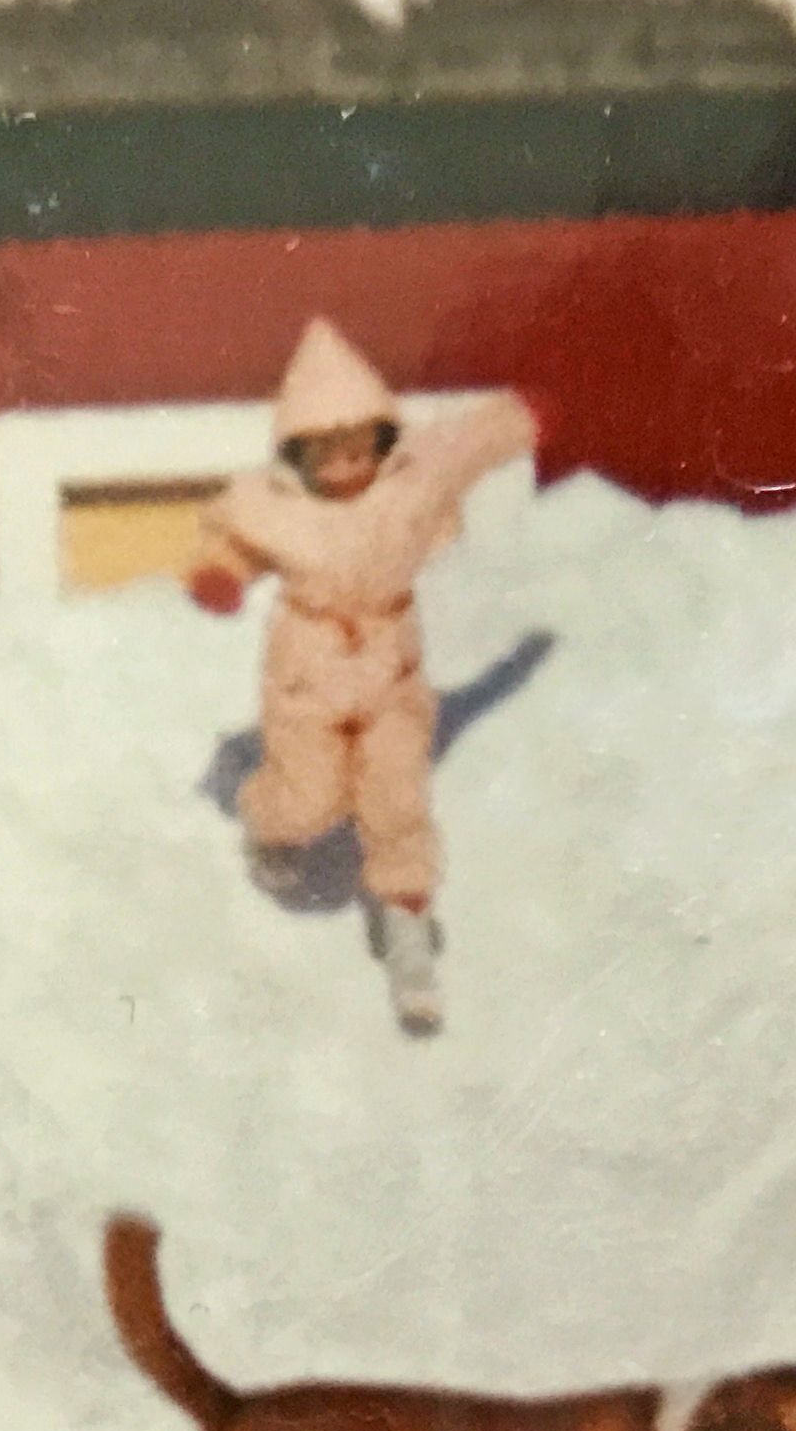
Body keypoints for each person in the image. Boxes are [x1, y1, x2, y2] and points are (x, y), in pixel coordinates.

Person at [188, 319, 536, 1036]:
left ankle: (407, 926)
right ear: (298, 453)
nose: (347, 467)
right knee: (308, 798)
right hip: (307, 675)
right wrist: (221, 574)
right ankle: (270, 825)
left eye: (358, 449)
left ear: (379, 441)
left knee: (396, 796)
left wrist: (535, 409)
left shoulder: (409, 482)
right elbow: (232, 538)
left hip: (388, 673)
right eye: (327, 454)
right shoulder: (276, 503)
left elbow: (472, 440)